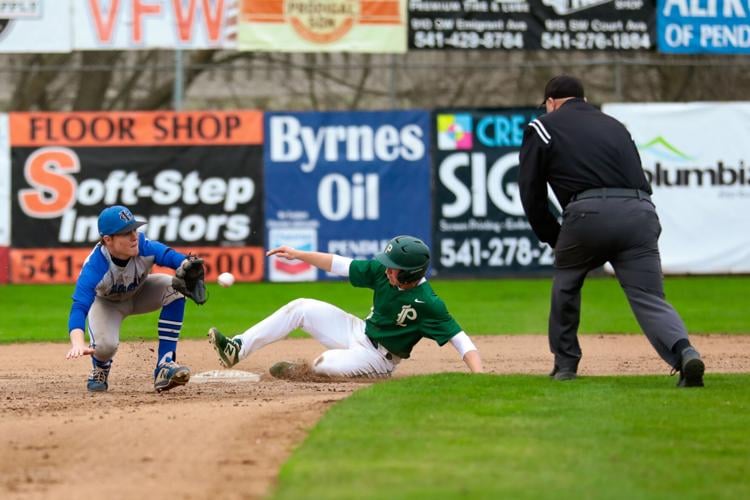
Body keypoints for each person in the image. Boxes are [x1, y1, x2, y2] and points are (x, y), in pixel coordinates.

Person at [518, 75, 704, 387]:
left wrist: (555, 237)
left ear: (550, 103)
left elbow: (531, 193)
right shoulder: (615, 125)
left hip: (588, 214)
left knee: (567, 282)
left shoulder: (542, 126)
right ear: (585, 101)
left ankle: (566, 365)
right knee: (649, 297)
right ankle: (684, 351)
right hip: (640, 214)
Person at [208, 235, 483, 378]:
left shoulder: (429, 303)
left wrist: (480, 377)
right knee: (301, 306)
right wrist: (299, 254)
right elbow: (338, 264)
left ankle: (304, 371)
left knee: (324, 364)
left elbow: (461, 341)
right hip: (359, 331)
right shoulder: (383, 271)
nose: (386, 271)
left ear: (410, 274)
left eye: (394, 268)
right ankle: (237, 349)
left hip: (378, 360)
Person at [66, 205, 202, 393]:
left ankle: (165, 364)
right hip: (107, 304)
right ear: (108, 240)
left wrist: (186, 264)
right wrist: (78, 343)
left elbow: (167, 255)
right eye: (125, 232)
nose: (133, 236)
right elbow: (79, 307)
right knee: (105, 347)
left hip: (140, 293)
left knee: (175, 288)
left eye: (134, 229)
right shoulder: (95, 266)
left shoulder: (143, 245)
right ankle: (100, 367)